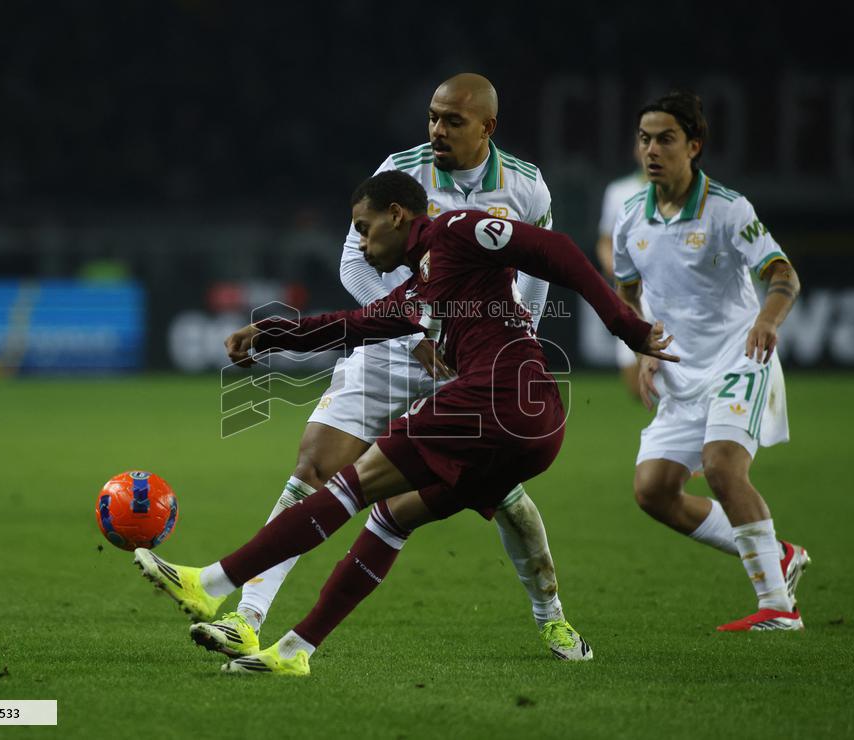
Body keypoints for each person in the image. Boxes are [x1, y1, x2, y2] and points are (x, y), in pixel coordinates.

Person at [132, 170, 677, 676]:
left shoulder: (457, 230)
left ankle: (210, 583)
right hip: (536, 428)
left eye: (365, 230)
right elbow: (352, 323)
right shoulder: (420, 287)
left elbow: (555, 249)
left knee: (350, 486)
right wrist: (271, 333)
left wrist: (626, 327)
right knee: (391, 518)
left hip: (495, 396)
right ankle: (295, 651)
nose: (363, 247)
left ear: (397, 215)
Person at [193, 73, 586, 662]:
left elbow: (534, 274)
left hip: (477, 363)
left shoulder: (527, 188)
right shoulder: (402, 168)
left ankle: (551, 616)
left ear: (487, 127)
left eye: (452, 120)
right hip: (395, 345)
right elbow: (354, 262)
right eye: (432, 116)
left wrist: (502, 344)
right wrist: (419, 328)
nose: (437, 130)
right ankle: (246, 618)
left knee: (507, 500)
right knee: (314, 465)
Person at [612, 91, 810, 632]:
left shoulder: (727, 208)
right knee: (653, 491)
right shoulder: (632, 219)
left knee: (723, 466)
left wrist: (767, 320)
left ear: (694, 146)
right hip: (680, 371)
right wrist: (642, 345)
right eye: (645, 138)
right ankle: (780, 555)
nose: (652, 149)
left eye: (666, 139)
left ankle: (778, 606)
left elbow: (782, 275)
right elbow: (626, 292)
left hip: (740, 359)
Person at [596, 162, 649, 396]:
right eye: (645, 140)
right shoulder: (619, 191)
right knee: (634, 385)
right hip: (631, 290)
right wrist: (614, 268)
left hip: (672, 292)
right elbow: (605, 241)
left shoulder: (687, 192)